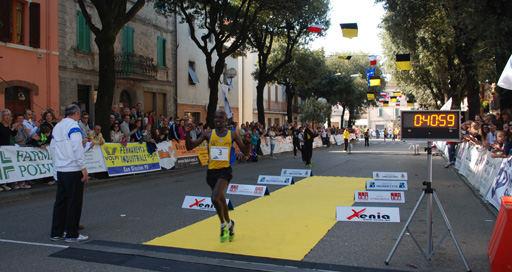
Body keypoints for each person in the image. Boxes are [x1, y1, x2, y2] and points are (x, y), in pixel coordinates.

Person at [184, 110, 251, 243]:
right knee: (221, 201)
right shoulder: (208, 134)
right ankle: (230, 223)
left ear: (226, 120)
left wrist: (248, 142)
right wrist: (187, 133)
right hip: (211, 173)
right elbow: (190, 147)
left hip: (224, 172)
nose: (218, 119)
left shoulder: (232, 135)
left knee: (214, 198)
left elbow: (245, 153)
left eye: (221, 117)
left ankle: (223, 225)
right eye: (216, 117)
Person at [49, 104, 89, 243]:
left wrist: (55, 167)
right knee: (74, 201)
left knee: (61, 201)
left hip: (61, 168)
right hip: (72, 169)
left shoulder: (57, 126)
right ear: (77, 113)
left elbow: (53, 147)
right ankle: (72, 233)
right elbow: (77, 147)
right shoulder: (74, 126)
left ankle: (57, 231)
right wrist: (83, 167)